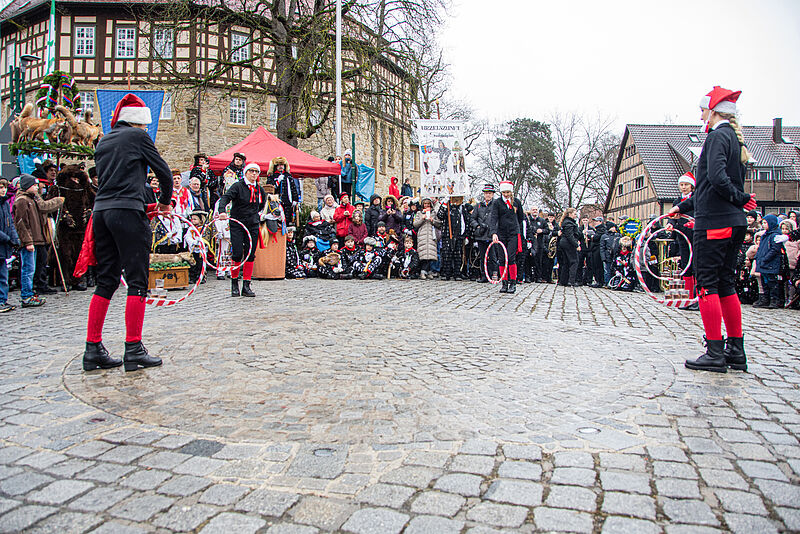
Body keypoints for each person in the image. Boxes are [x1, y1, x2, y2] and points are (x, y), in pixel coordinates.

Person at [83, 94, 172, 371]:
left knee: (106, 280)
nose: (147, 131)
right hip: (127, 214)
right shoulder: (138, 138)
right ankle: (133, 348)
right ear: (139, 124)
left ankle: (92, 348)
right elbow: (164, 173)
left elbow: (114, 182)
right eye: (145, 126)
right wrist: (164, 203)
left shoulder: (104, 140)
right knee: (137, 280)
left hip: (102, 214)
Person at [670, 86, 756, 373]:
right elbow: (709, 187)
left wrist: (740, 197)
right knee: (726, 284)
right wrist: (683, 207)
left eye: (703, 109)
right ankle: (735, 350)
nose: (701, 114)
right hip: (731, 222)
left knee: (707, 284)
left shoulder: (717, 136)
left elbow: (718, 179)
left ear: (714, 110)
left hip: (715, 223)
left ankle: (715, 351)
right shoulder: (731, 137)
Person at [13, 174, 64, 307]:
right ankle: (26, 295)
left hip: (37, 239)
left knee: (34, 267)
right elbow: (21, 223)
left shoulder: (33, 199)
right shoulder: (22, 200)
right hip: (30, 241)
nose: (37, 187)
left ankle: (30, 292)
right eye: (34, 185)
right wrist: (28, 241)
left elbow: (44, 207)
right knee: (28, 269)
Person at [218, 162, 266, 298]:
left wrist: (255, 216)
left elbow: (261, 205)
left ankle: (246, 285)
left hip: (253, 224)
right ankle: (234, 284)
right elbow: (226, 198)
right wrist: (222, 211)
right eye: (251, 172)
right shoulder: (238, 186)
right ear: (246, 173)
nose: (254, 174)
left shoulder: (259, 189)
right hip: (237, 223)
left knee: (250, 254)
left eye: (256, 172)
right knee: (237, 253)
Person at [45, 164, 95, 291]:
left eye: (77, 179)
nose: (75, 181)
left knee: (79, 254)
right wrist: (63, 216)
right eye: (73, 179)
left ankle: (77, 279)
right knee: (65, 254)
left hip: (81, 227)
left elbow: (94, 201)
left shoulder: (84, 189)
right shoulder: (58, 189)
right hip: (65, 229)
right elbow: (51, 205)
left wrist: (89, 212)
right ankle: (65, 280)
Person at [489, 181, 524, 293]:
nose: (506, 194)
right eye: (504, 192)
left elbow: (520, 218)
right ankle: (504, 282)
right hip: (501, 233)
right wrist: (494, 233)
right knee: (502, 258)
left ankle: (513, 282)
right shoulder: (497, 203)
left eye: (508, 192)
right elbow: (493, 218)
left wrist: (519, 231)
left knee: (511, 257)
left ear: (511, 192)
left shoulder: (516, 202)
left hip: (513, 233)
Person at [670, 172, 698, 309]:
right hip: (682, 236)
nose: (684, 187)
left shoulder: (696, 199)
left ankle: (698, 298)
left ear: (692, 186)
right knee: (686, 267)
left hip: (695, 236)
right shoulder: (676, 201)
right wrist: (671, 224)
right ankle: (688, 298)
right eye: (681, 185)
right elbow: (672, 216)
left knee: (696, 267)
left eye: (686, 184)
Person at [754, 215, 785, 309]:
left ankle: (774, 300)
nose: (763, 225)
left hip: (771, 263)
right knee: (765, 282)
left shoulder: (775, 235)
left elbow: (774, 249)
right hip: (763, 262)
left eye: (765, 223)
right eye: (762, 223)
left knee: (772, 282)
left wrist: (765, 258)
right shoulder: (765, 234)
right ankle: (766, 299)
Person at [0, 179, 19, 312]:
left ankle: (2, 300)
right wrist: (7, 238)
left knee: (3, 275)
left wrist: (14, 238)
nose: (3, 190)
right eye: (1, 187)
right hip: (2, 242)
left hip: (4, 246)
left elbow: (10, 223)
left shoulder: (5, 203)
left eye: (4, 187)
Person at [471, 184, 495, 282]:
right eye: (486, 193)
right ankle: (484, 275)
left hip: (492, 235)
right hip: (481, 234)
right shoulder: (478, 206)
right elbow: (472, 218)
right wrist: (477, 226)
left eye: (489, 193)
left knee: (493, 256)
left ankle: (493, 274)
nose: (488, 195)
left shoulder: (496, 205)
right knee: (482, 256)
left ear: (493, 194)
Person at [267, 156, 300, 224]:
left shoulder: (288, 176)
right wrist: (277, 181)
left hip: (288, 201)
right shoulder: (272, 176)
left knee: (287, 220)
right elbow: (269, 189)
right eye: (278, 165)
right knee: (277, 220)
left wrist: (295, 199)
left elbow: (293, 188)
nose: (280, 166)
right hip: (276, 202)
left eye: (282, 165)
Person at [414, 197, 439, 279]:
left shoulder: (433, 213)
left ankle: (428, 271)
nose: (427, 205)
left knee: (430, 254)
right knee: (423, 254)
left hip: (431, 235)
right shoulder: (419, 213)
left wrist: (433, 221)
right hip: (423, 235)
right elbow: (415, 224)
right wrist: (422, 218)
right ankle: (423, 272)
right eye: (425, 204)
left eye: (428, 204)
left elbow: (439, 223)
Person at [557, 207, 580, 287]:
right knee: (574, 261)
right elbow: (570, 236)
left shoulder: (566, 222)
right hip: (568, 244)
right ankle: (571, 281)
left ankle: (563, 281)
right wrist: (576, 245)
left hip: (564, 243)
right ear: (570, 214)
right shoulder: (569, 223)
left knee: (566, 262)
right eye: (574, 214)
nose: (576, 216)